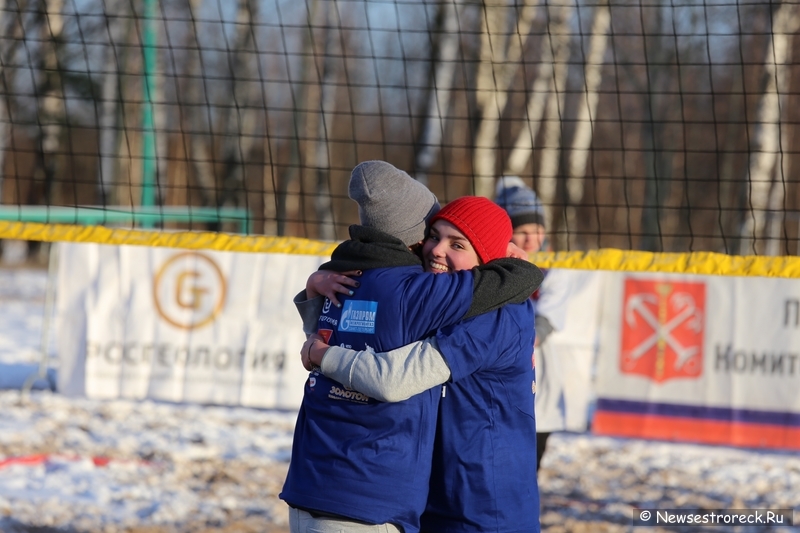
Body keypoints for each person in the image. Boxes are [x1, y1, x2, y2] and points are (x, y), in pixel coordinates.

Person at [280, 161, 542, 533]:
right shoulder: (436, 298)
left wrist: (321, 351)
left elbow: (395, 377)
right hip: (427, 502)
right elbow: (369, 323)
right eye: (433, 235)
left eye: (457, 244)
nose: (435, 250)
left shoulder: (498, 313)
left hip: (485, 506)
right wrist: (314, 288)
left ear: (488, 259)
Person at [495, 175, 572, 473]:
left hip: (536, 372)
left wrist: (509, 339)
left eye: (537, 229)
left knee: (529, 459)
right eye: (522, 230)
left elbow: (545, 323)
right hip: (499, 373)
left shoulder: (560, 265)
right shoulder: (491, 266)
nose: (531, 239)